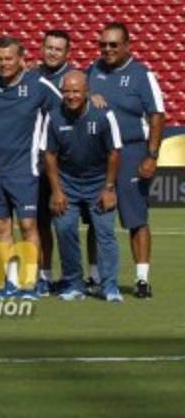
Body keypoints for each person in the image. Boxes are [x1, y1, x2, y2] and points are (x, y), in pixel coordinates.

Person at [0, 37, 60, 299]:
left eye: (9, 59)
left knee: (28, 225)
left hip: (25, 168)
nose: (3, 64)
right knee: (1, 227)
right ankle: (10, 282)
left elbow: (66, 106)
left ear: (21, 59)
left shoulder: (38, 85)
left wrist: (95, 98)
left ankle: (30, 282)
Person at [87, 22, 164, 299]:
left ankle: (142, 279)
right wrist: (87, 95)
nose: (107, 50)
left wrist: (151, 155)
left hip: (132, 152)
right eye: (103, 44)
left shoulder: (142, 74)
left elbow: (157, 115)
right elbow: (74, 96)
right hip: (99, 155)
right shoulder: (93, 70)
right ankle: (94, 276)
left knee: (136, 219)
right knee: (97, 216)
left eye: (113, 45)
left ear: (127, 45)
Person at [42, 71, 123, 302]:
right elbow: (49, 155)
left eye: (76, 91)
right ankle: (74, 283)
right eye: (66, 91)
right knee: (65, 230)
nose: (71, 96)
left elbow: (114, 152)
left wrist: (108, 188)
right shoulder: (53, 117)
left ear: (87, 91)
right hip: (67, 183)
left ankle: (109, 286)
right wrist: (56, 191)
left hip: (99, 183)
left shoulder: (104, 115)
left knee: (105, 233)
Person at [35, 28, 74, 292]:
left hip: (65, 164)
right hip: (34, 162)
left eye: (58, 49)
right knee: (40, 222)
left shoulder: (74, 80)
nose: (52, 52)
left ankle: (74, 277)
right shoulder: (31, 76)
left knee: (65, 223)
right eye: (49, 47)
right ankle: (45, 274)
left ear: (67, 53)